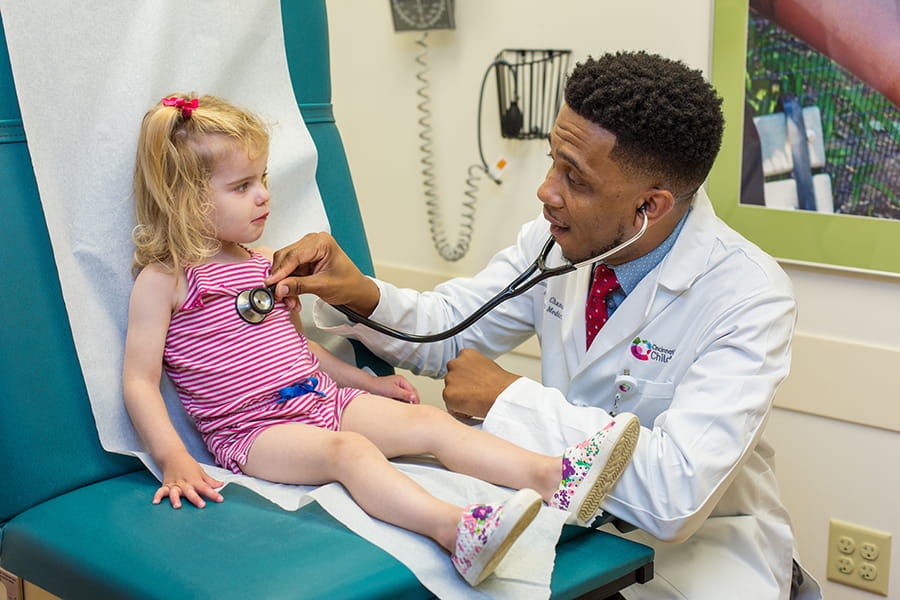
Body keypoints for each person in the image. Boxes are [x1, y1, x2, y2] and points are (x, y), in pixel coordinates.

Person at [266, 52, 822, 599]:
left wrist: (506, 399)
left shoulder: (748, 295)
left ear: (649, 206)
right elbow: (450, 332)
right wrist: (360, 293)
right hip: (569, 528)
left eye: (575, 178)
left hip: (702, 555)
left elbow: (675, 495)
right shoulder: (558, 240)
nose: (546, 191)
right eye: (554, 160)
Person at [121, 94, 641, 587]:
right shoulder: (166, 281)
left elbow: (302, 353)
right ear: (185, 200)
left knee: (431, 421)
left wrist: (366, 384)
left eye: (261, 179)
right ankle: (455, 530)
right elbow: (140, 382)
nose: (264, 196)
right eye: (241, 187)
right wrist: (174, 459)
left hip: (322, 398)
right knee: (350, 453)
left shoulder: (266, 265)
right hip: (253, 431)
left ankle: (553, 477)